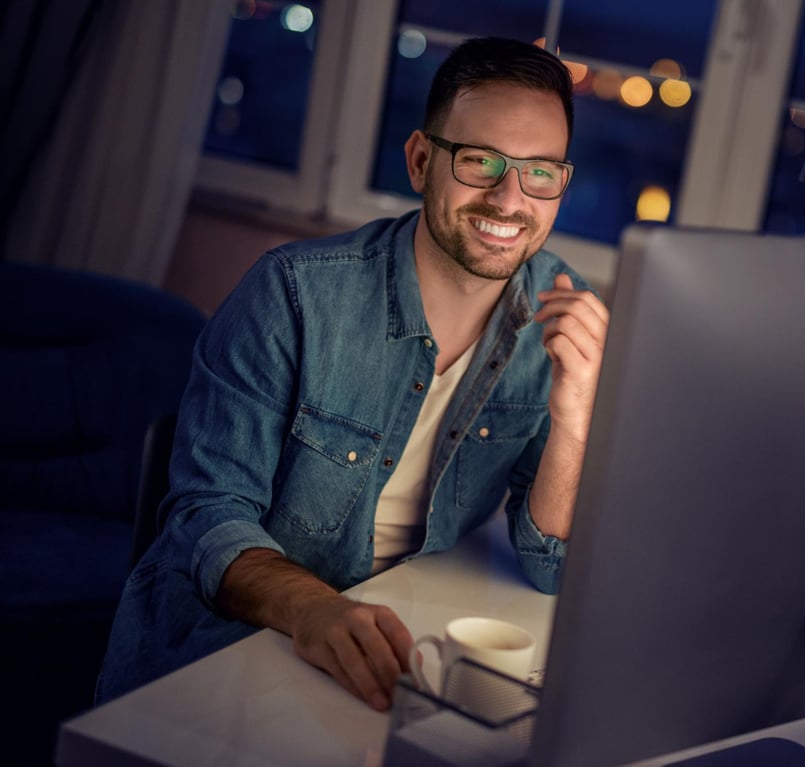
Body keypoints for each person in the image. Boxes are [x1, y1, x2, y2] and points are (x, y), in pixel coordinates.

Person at [96, 37, 609, 712]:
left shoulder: (560, 310)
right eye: (481, 161)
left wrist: (575, 418)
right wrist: (316, 609)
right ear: (422, 161)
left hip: (398, 641)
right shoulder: (292, 294)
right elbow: (204, 519)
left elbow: (550, 566)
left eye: (540, 173)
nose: (510, 199)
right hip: (228, 648)